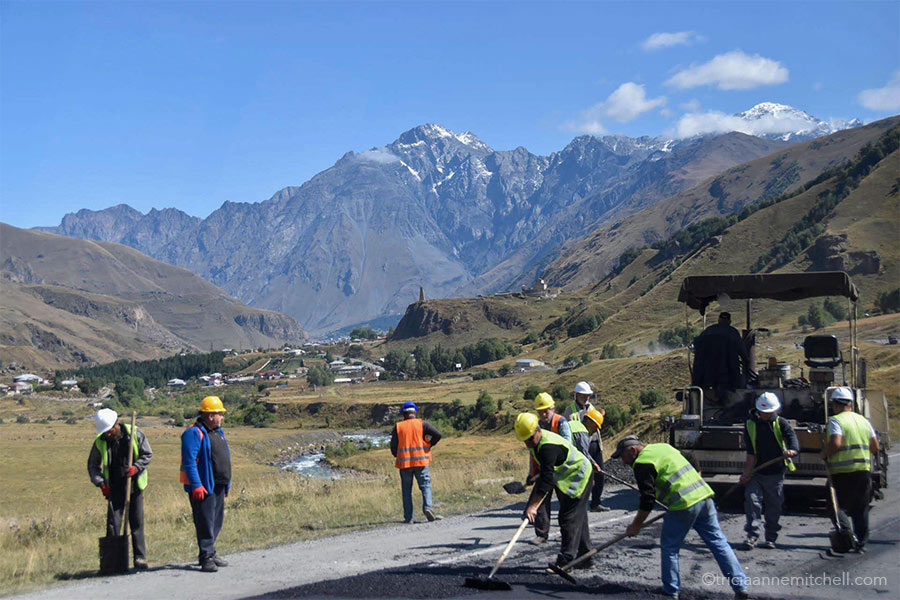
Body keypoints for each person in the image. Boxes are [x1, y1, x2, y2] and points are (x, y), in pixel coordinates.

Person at [615, 436, 749, 599]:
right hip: (704, 497)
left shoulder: (642, 463)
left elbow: (647, 499)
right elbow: (690, 457)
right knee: (718, 542)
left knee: (670, 546)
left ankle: (671, 590)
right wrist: (697, 475)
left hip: (684, 505)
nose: (623, 462)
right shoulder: (663, 447)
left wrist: (636, 525)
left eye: (623, 456)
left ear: (633, 450)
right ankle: (740, 586)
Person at [515, 412, 592, 570]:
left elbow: (547, 480)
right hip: (567, 477)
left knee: (568, 518)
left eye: (529, 438)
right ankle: (586, 557)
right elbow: (544, 471)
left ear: (537, 430)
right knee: (578, 518)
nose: (528, 443)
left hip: (579, 476)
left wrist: (533, 506)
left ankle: (566, 561)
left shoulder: (548, 446)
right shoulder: (536, 443)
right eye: (524, 440)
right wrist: (533, 478)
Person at [88, 408, 153, 570]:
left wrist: (137, 467)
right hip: (114, 488)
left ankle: (140, 558)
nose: (107, 435)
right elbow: (93, 466)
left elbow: (147, 454)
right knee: (113, 524)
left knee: (136, 522)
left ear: (116, 424)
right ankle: (114, 561)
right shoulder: (100, 441)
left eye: (109, 431)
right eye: (105, 432)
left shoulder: (135, 434)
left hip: (134, 486)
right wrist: (101, 483)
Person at [821, 387, 879, 552]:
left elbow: (836, 443)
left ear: (835, 405)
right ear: (850, 404)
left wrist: (825, 453)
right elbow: (875, 447)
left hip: (842, 472)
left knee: (836, 505)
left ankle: (846, 533)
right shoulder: (863, 421)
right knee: (861, 508)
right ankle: (861, 543)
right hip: (863, 470)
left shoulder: (836, 421)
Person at [740, 392, 799, 550]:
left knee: (774, 505)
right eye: (764, 412)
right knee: (752, 501)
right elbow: (751, 452)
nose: (767, 415)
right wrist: (747, 472)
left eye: (770, 412)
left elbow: (793, 440)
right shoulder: (750, 425)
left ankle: (770, 537)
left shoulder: (781, 423)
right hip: (757, 472)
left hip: (776, 472)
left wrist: (792, 451)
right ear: (758, 410)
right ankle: (752, 536)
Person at [181, 396, 231, 572]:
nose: (222, 417)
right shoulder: (193, 433)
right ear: (210, 416)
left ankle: (211, 551)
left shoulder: (218, 432)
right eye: (220, 414)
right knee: (205, 522)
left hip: (218, 485)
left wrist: (227, 484)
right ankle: (206, 557)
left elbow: (225, 457)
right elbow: (189, 462)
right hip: (204, 487)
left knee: (216, 521)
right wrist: (196, 485)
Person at [529, 392, 572, 543]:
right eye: (540, 411)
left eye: (546, 410)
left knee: (566, 503)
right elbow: (532, 452)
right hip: (545, 470)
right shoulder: (535, 426)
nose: (543, 413)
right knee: (540, 500)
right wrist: (532, 473)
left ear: (553, 408)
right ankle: (541, 534)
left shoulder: (561, 422)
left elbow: (568, 446)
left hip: (562, 469)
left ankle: (567, 533)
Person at [390, 401, 442, 523]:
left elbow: (393, 446)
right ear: (415, 413)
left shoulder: (398, 427)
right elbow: (438, 434)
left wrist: (397, 455)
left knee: (406, 491)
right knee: (425, 486)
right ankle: (428, 508)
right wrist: (428, 444)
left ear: (404, 414)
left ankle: (408, 517)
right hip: (421, 461)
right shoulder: (422, 424)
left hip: (404, 464)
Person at [564, 381, 608, 511]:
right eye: (584, 395)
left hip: (594, 444)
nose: (587, 398)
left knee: (600, 475)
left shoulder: (591, 407)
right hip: (581, 448)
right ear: (577, 395)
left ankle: (596, 503)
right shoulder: (570, 411)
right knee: (582, 478)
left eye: (588, 395)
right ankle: (578, 505)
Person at [692, 312, 751, 391]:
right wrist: (746, 360)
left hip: (705, 374)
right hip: (728, 374)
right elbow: (741, 349)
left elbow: (696, 347)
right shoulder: (733, 332)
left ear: (719, 320)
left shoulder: (708, 331)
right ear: (730, 321)